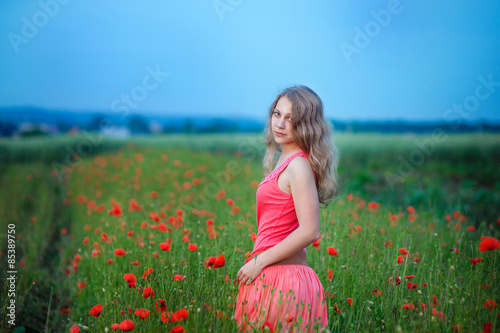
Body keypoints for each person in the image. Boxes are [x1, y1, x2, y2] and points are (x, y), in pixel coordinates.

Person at [234, 85, 340, 332]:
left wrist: (259, 262)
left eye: (291, 118)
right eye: (277, 114)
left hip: (286, 281)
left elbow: (310, 231)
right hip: (270, 276)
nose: (280, 124)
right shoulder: (286, 160)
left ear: (306, 124)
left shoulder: (298, 166)